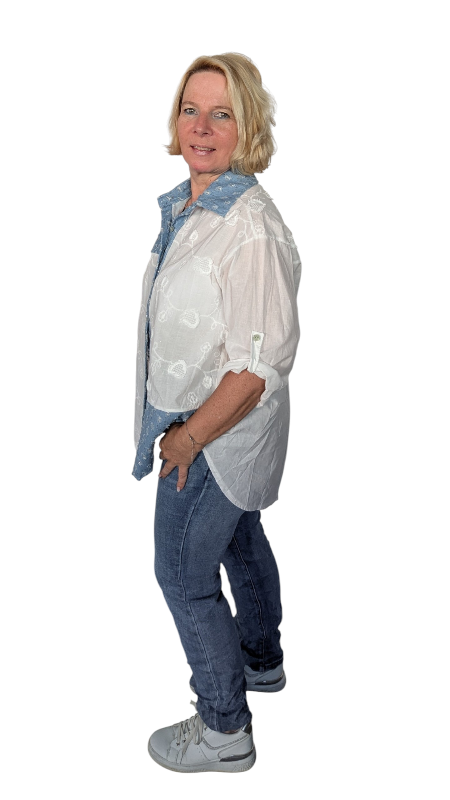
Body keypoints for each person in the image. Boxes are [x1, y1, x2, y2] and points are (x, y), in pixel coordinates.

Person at [132, 52, 301, 773]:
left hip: (216, 433)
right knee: (238, 537)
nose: (201, 127)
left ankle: (225, 728)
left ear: (248, 128)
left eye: (222, 114)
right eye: (191, 110)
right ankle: (260, 659)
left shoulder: (249, 228)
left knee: (182, 572)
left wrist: (187, 439)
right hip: (210, 425)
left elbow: (257, 368)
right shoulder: (195, 207)